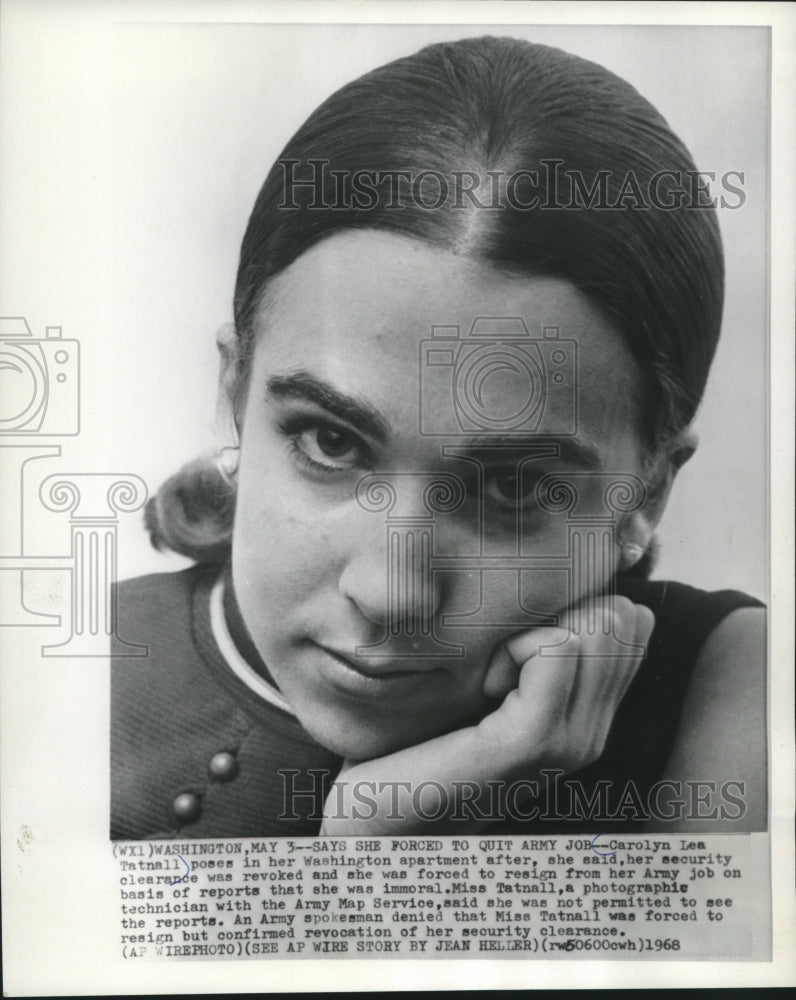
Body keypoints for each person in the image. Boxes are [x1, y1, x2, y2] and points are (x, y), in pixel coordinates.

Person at [111, 35, 765, 840]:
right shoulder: (65, 681)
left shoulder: (735, 690)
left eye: (514, 487)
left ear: (647, 495)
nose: (391, 594)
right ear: (235, 396)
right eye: (330, 443)